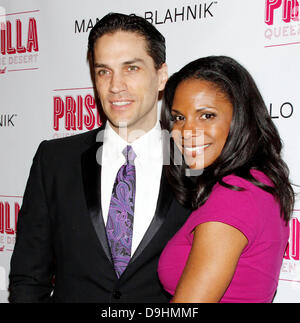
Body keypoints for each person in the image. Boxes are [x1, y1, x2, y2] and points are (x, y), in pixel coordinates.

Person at [9, 13, 191, 303]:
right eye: (103, 71)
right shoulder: (55, 160)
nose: (115, 85)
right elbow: (29, 277)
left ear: (161, 76)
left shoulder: (194, 163)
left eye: (131, 68)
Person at [158, 56, 294, 303]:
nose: (186, 132)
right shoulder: (256, 182)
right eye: (179, 118)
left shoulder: (234, 195)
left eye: (206, 116)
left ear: (240, 118)